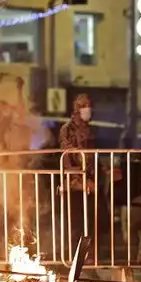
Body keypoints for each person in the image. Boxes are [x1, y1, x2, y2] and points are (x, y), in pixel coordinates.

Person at [58, 94, 97, 259]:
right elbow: (68, 158)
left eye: (89, 104)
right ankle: (75, 261)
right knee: (76, 226)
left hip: (90, 186)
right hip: (74, 186)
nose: (88, 108)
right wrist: (82, 179)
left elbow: (91, 156)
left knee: (90, 225)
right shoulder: (67, 129)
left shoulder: (89, 129)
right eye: (84, 105)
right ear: (76, 108)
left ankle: (88, 259)